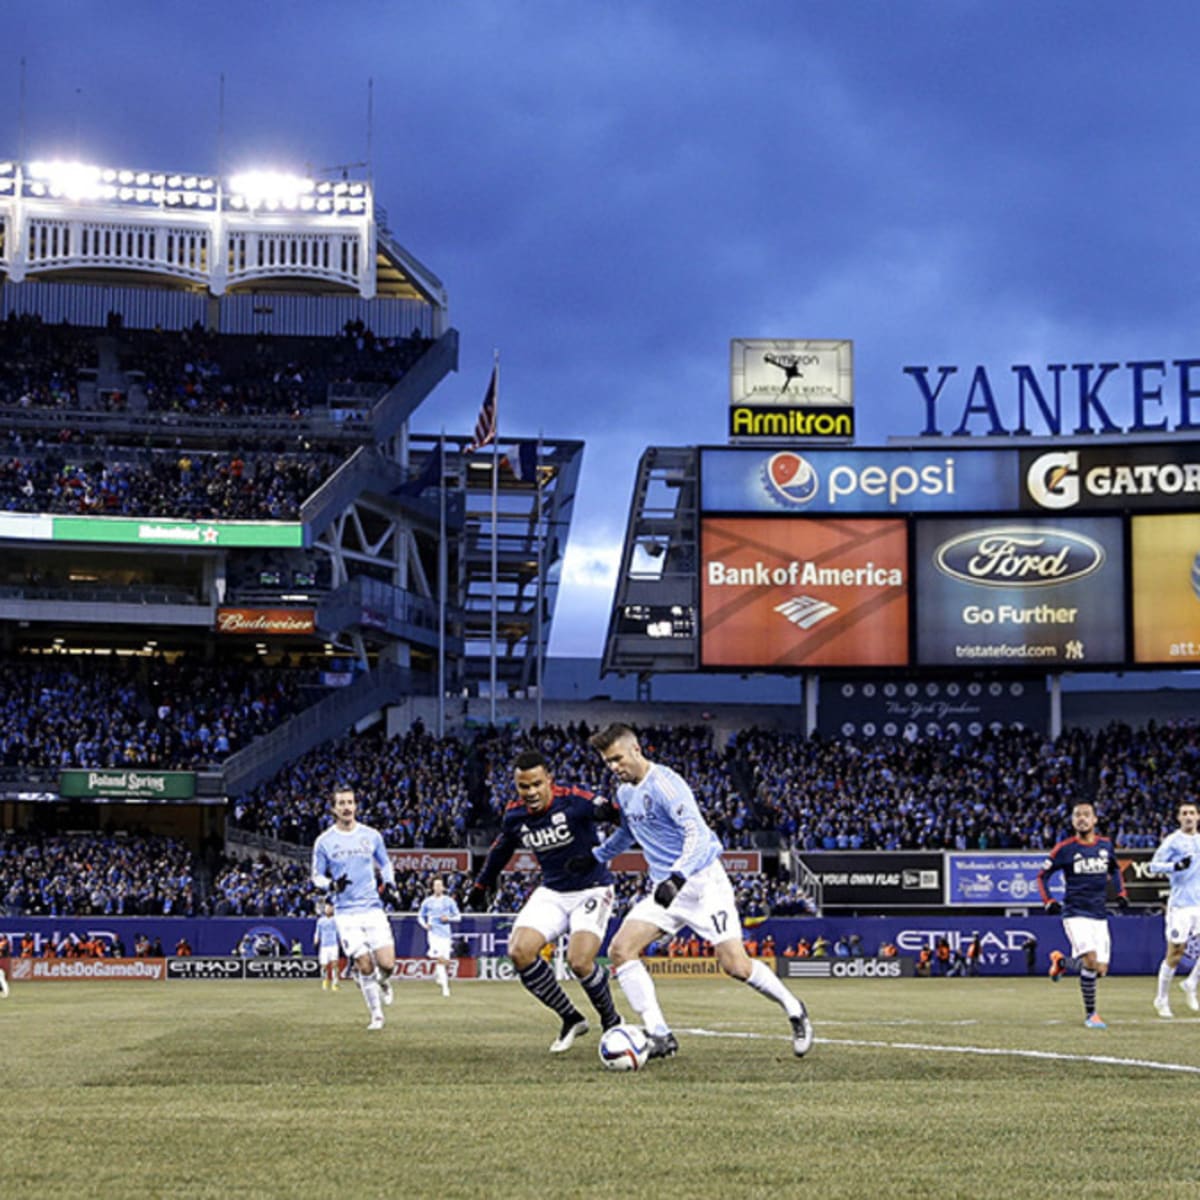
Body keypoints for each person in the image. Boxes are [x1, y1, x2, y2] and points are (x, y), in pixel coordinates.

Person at [588, 723, 813, 1059]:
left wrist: (678, 877)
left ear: (636, 749)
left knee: (736, 965)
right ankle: (660, 1034)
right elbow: (627, 834)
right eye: (608, 762)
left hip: (702, 883)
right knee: (621, 950)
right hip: (666, 889)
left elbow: (694, 833)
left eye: (617, 758)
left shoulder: (666, 784)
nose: (614, 767)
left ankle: (795, 1009)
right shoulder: (624, 792)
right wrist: (594, 857)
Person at [465, 749, 623, 1052]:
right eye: (524, 787)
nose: (531, 792)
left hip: (592, 888)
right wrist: (481, 885)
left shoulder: (575, 800)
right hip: (552, 891)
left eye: (537, 784)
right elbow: (500, 851)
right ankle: (571, 1018)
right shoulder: (515, 815)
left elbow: (620, 818)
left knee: (579, 962)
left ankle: (612, 1022)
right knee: (519, 951)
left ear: (549, 780)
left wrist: (608, 823)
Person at [311, 786, 401, 1030]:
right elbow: (316, 875)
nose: (347, 807)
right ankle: (377, 1016)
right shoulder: (324, 842)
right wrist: (331, 884)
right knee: (364, 964)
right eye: (341, 803)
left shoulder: (371, 835)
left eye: (350, 802)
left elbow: (385, 863)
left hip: (372, 907)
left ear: (356, 806)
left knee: (388, 964)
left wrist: (390, 883)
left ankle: (383, 982)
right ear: (334, 809)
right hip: (346, 913)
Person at [1037, 799, 1128, 1029]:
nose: (1082, 818)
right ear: (1072, 820)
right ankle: (1091, 1015)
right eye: (1077, 815)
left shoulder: (1105, 845)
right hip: (1075, 913)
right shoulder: (1065, 848)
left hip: (1099, 914)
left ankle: (1062, 962)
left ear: (1095, 819)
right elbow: (1042, 876)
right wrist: (1048, 901)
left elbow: (1115, 869)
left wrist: (1121, 893)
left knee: (1101, 970)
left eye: (1086, 814)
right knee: (1090, 960)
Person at [1146, 799, 1200, 1017]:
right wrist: (1174, 866)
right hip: (1180, 906)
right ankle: (1161, 998)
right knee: (1175, 953)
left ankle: (1191, 983)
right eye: (1184, 813)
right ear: (1179, 818)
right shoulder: (1172, 841)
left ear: (1198, 817)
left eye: (1192, 813)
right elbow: (1152, 866)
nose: (1188, 816)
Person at [417, 878, 461, 998]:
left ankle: (439, 974)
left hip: (446, 934)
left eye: (440, 885)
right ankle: (445, 988)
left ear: (443, 887)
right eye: (435, 885)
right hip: (433, 933)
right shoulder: (427, 902)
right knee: (440, 958)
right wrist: (425, 925)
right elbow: (420, 916)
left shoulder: (449, 901)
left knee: (444, 961)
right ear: (432, 887)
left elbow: (458, 916)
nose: (437, 888)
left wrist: (448, 918)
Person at [313, 899, 341, 992]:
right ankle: (325, 980)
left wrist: (341, 940)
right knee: (324, 965)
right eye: (327, 908)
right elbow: (318, 932)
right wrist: (316, 939)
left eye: (330, 908)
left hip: (333, 944)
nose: (329, 909)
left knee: (334, 964)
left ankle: (335, 983)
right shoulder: (321, 921)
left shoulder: (336, 920)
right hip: (324, 945)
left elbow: (339, 932)